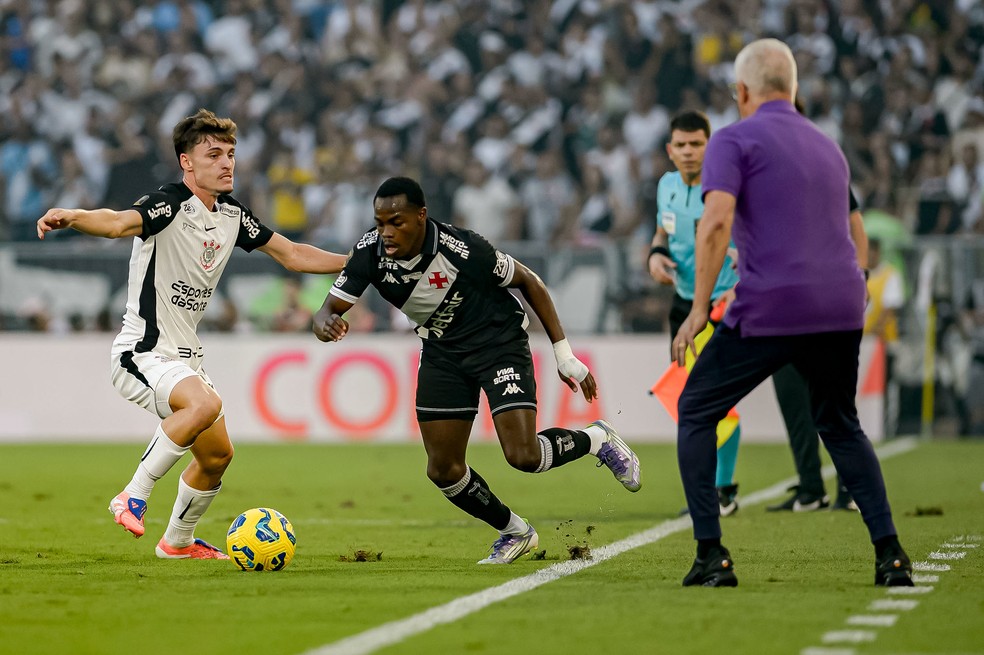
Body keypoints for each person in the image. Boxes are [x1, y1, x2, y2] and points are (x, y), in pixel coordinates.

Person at [36, 109, 347, 559]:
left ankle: (177, 542)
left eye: (231, 154)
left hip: (185, 359)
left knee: (217, 456)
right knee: (205, 404)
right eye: (214, 154)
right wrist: (75, 216)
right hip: (141, 352)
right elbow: (118, 223)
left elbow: (295, 254)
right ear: (187, 163)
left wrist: (359, 262)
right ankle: (133, 495)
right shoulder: (168, 203)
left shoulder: (232, 216)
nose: (227, 163)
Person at [672, 39, 912, 587]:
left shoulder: (733, 139)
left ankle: (711, 554)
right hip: (843, 304)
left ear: (742, 91)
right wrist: (858, 283)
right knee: (840, 422)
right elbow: (854, 229)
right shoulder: (828, 147)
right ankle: (891, 553)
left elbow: (714, 224)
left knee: (697, 409)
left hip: (774, 303)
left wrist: (698, 310)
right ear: (795, 88)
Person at [312, 176, 641, 564]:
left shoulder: (463, 249)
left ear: (421, 216)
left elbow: (529, 281)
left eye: (396, 221)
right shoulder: (369, 252)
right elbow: (326, 310)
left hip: (498, 345)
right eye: (380, 221)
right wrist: (325, 325)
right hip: (442, 353)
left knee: (523, 456)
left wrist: (563, 353)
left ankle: (597, 439)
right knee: (443, 469)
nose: (385, 231)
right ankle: (514, 531)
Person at [647, 110, 741, 516]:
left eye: (696, 144)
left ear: (710, 145)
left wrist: (743, 282)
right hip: (684, 302)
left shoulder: (725, 188)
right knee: (689, 397)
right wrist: (655, 256)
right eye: (681, 145)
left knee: (711, 398)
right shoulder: (666, 186)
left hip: (724, 304)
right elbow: (662, 233)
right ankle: (717, 490)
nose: (688, 152)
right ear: (670, 150)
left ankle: (723, 491)